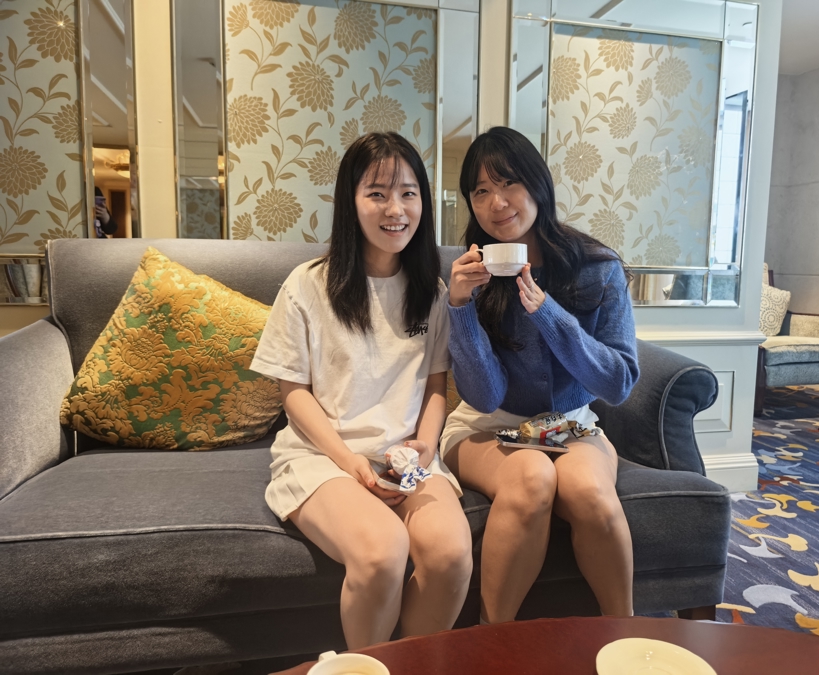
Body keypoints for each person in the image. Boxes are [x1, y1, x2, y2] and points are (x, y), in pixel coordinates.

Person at [250, 132, 472, 650]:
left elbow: (435, 385)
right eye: (377, 193)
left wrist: (425, 447)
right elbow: (293, 392)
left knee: (451, 556)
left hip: (406, 458)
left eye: (409, 193)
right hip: (323, 456)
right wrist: (348, 460)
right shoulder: (307, 285)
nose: (396, 209)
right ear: (350, 202)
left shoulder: (431, 291)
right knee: (382, 551)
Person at [441, 126, 640, 624]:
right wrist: (460, 307)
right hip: (487, 426)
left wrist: (549, 314)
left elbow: (617, 383)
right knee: (532, 476)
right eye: (480, 191)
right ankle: (494, 639)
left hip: (568, 424)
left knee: (591, 494)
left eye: (508, 182)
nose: (496, 203)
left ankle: (624, 633)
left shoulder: (597, 268)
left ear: (538, 184)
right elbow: (485, 397)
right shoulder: (473, 275)